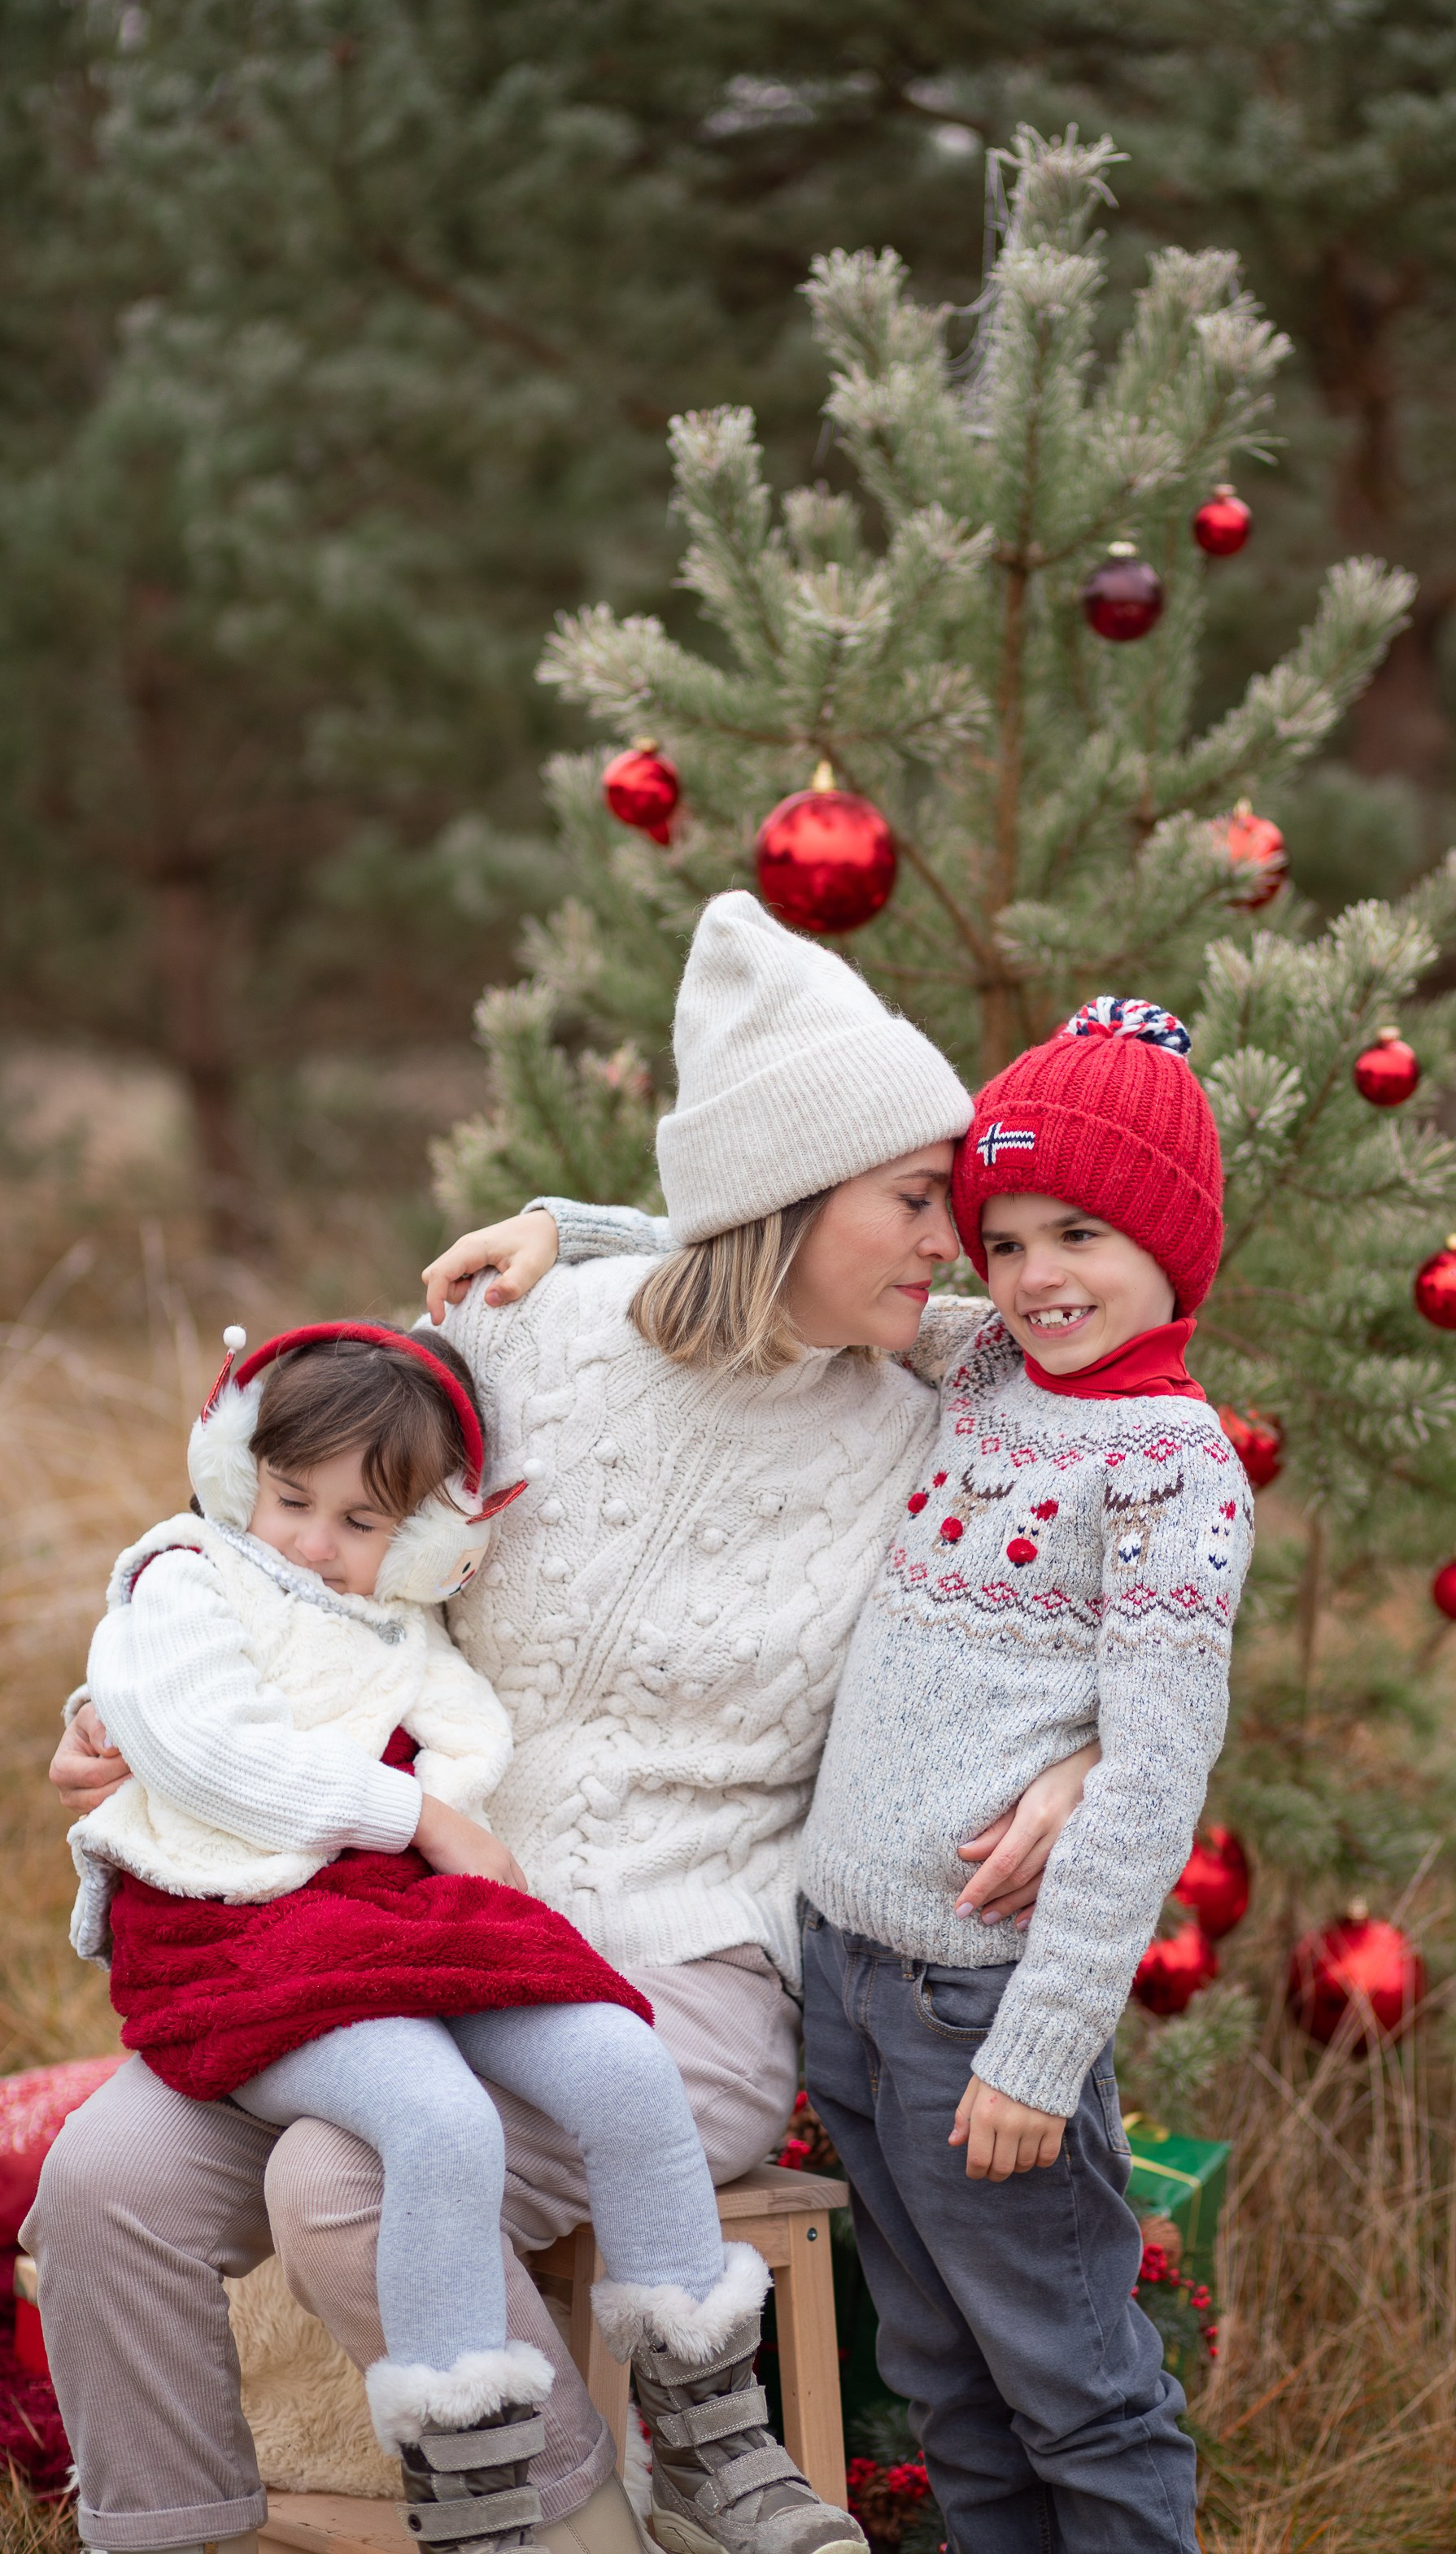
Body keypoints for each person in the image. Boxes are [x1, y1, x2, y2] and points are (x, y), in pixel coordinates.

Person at [34, 895, 1093, 2554]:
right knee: (103, 2188)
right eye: (909, 1198)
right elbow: (305, 1561)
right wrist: (135, 1707)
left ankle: (577, 2522)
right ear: (782, 1194)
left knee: (346, 2182)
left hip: (678, 1966)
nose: (948, 1240)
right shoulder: (514, 1349)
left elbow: (1132, 1444)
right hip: (378, 1926)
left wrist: (1089, 1756)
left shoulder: (929, 1432)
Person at [63, 1314, 818, 2554]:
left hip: (376, 1931)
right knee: (436, 2117)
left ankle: (712, 2434)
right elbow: (204, 1741)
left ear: (426, 1540)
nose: (313, 1545)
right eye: (289, 1498)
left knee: (621, 2061)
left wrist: (447, 1799)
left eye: (362, 1525)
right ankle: (481, 2497)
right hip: (235, 1945)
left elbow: (468, 1739)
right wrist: (409, 1807)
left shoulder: (397, 1628)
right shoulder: (188, 1572)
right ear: (230, 1467)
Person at [796, 995, 1255, 2554]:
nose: (1035, 1277)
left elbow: (1145, 1779)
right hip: (844, 1976)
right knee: (940, 2371)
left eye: (1080, 1234)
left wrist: (1040, 2050)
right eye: (1000, 1238)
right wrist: (556, 1229)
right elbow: (798, 1274)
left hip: (980, 2002)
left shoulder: (1170, 1469)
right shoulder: (986, 1364)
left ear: (1168, 1248)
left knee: (1072, 2382)